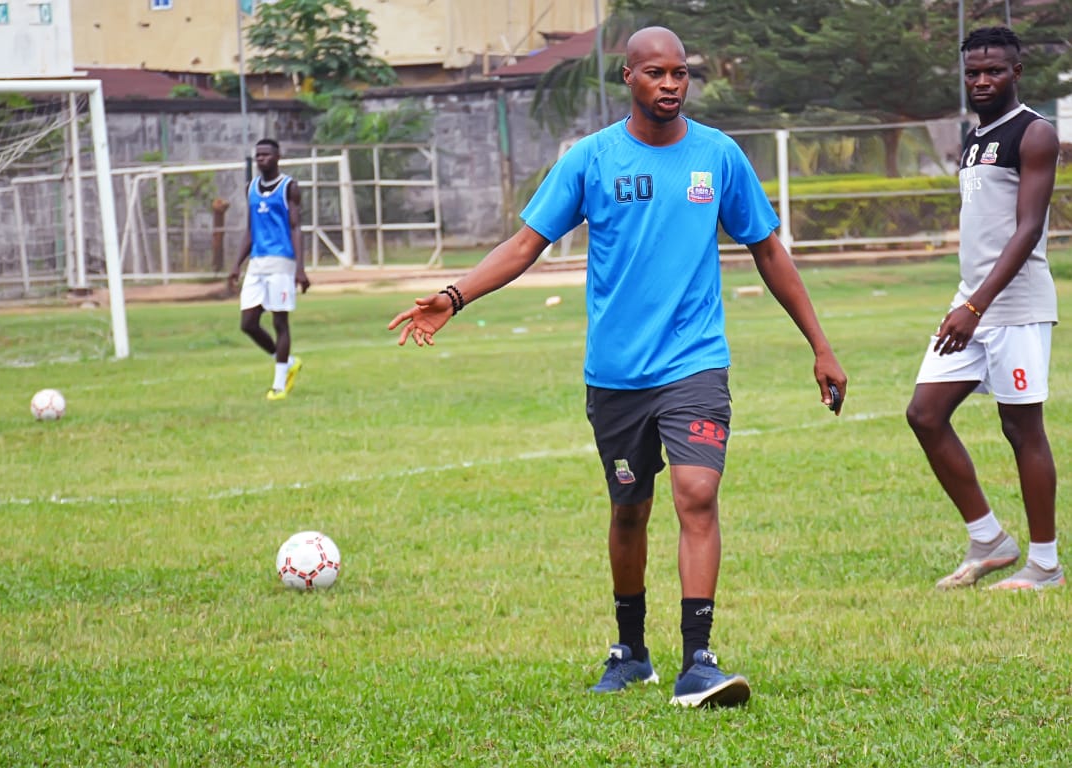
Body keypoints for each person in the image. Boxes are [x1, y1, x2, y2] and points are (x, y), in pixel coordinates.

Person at [389, 26, 846, 707]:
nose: (670, 84)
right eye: (656, 73)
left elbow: (768, 251)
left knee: (696, 494)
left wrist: (820, 344)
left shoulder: (718, 157)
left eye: (680, 73)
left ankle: (699, 660)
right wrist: (454, 297)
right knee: (628, 510)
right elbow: (524, 244)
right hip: (615, 376)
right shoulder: (591, 160)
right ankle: (630, 650)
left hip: (693, 363)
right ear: (627, 77)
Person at [906, 26, 1064, 591]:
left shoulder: (1036, 134)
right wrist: (968, 301)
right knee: (924, 414)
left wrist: (975, 304)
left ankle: (1044, 565)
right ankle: (989, 539)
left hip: (1014, 306)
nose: (981, 79)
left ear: (1016, 72)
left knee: (1022, 428)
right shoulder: (974, 139)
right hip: (971, 301)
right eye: (973, 71)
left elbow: (1027, 231)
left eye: (993, 70)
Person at [228, 138, 310, 401]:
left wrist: (300, 268)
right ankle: (287, 362)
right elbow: (250, 229)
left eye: (266, 155)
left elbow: (296, 228)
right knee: (248, 323)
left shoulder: (289, 187)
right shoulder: (250, 187)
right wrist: (236, 264)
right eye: (258, 155)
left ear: (277, 157)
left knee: (279, 321)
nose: (261, 159)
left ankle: (278, 385)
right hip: (258, 263)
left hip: (281, 262)